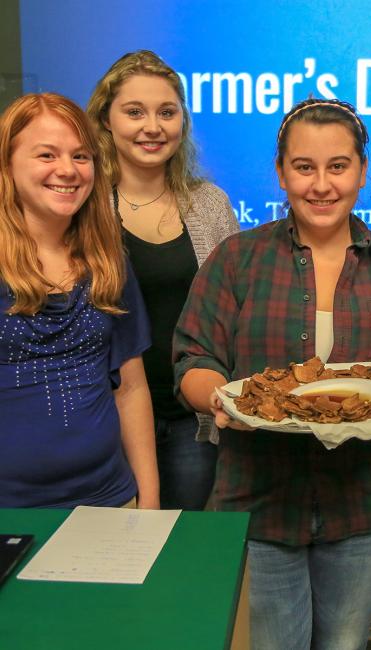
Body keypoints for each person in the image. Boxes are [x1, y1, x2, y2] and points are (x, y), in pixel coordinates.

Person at [173, 98, 371, 650]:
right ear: (281, 172)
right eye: (304, 167)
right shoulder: (236, 259)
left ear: (362, 171)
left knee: (345, 642)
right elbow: (193, 361)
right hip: (262, 502)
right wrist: (225, 403)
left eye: (338, 166)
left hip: (367, 508)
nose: (321, 185)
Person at [87, 50, 239, 510]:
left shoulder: (209, 204)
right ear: (106, 120)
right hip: (104, 417)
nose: (152, 127)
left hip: (189, 422)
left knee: (177, 552)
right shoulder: (83, 206)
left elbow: (237, 309)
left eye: (166, 112)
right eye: (134, 112)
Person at [0, 93, 158, 509]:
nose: (67, 171)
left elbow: (131, 388)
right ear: (8, 163)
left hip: (110, 499)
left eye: (81, 156)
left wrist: (151, 503)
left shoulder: (108, 261)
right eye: (46, 155)